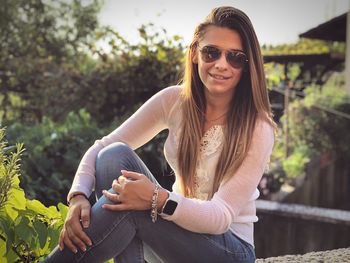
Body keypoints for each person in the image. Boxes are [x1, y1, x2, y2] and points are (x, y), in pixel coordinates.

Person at [44, 5, 276, 263]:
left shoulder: (257, 127)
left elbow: (220, 216)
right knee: (113, 156)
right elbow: (101, 146)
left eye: (235, 57)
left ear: (247, 66)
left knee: (135, 203)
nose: (222, 65)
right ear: (195, 53)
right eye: (212, 52)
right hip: (178, 235)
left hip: (230, 251)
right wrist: (77, 197)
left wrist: (157, 198)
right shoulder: (174, 101)